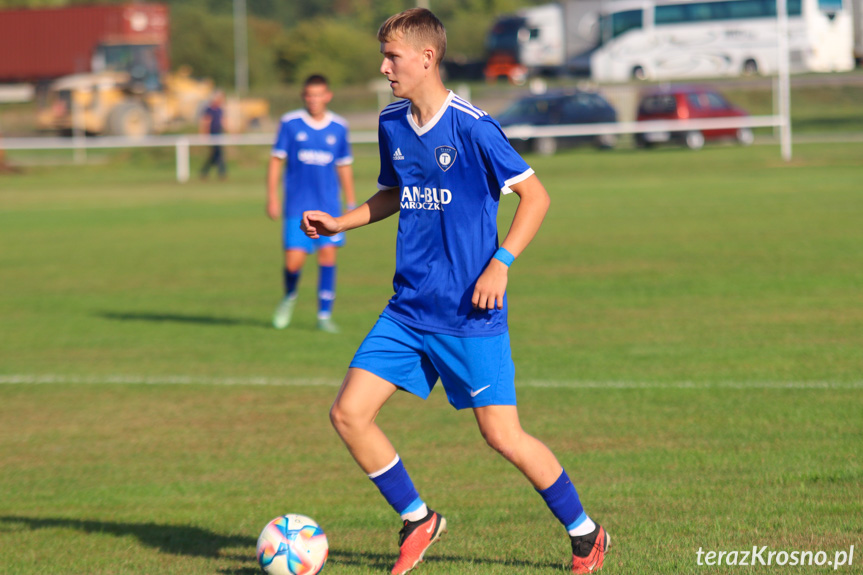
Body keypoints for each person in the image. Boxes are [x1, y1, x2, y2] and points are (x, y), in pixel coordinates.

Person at [301, 8, 610, 575]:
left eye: (392, 56)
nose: (384, 66)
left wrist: (502, 263)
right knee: (349, 413)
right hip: (409, 309)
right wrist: (342, 223)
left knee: (504, 437)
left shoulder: (473, 126)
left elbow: (536, 198)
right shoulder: (392, 122)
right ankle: (419, 519)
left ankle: (586, 534)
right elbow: (396, 191)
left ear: (427, 57)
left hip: (470, 314)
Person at [267, 75, 356, 333]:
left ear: (327, 96)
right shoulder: (290, 123)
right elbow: (276, 161)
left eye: (318, 94)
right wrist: (272, 196)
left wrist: (350, 202)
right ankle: (289, 296)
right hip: (297, 207)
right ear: (303, 96)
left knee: (328, 256)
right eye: (309, 95)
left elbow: (344, 166)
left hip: (329, 205)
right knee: (293, 262)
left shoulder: (339, 126)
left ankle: (324, 315)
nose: (313, 100)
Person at [200, 90, 226, 180]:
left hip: (219, 134)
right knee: (217, 154)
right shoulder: (209, 110)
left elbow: (223, 122)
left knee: (216, 154)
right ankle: (222, 173)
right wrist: (205, 135)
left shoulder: (220, 110)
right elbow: (206, 123)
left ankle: (205, 172)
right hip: (212, 134)